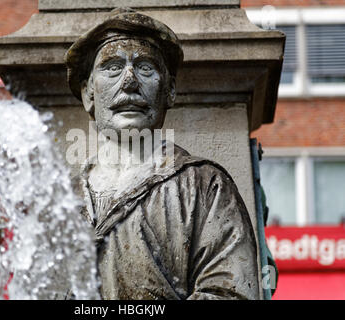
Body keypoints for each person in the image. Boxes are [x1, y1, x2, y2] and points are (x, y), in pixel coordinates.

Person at [64, 8, 260, 300]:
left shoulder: (206, 186)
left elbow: (231, 293)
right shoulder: (62, 197)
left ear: (169, 91)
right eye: (112, 68)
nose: (129, 81)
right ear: (89, 93)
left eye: (145, 68)